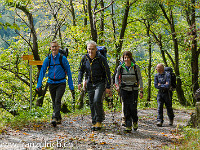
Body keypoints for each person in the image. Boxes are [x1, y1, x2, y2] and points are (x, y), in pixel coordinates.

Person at [36, 41, 74, 127]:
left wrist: (71, 86)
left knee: (57, 100)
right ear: (50, 48)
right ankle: (59, 118)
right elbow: (42, 71)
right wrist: (39, 85)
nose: (54, 48)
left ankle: (54, 117)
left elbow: (68, 71)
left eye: (56, 47)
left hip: (61, 83)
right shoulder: (48, 59)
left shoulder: (62, 58)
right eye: (53, 47)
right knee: (54, 101)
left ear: (58, 47)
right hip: (51, 83)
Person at [78, 40, 111, 131]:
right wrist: (79, 82)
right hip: (90, 83)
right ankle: (94, 121)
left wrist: (108, 86)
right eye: (89, 49)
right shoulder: (84, 58)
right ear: (87, 49)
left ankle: (99, 121)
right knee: (92, 103)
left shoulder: (101, 59)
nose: (90, 51)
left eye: (92, 49)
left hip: (100, 82)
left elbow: (107, 73)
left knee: (97, 100)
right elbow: (81, 71)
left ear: (96, 49)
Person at [115, 51, 143, 132]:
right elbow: (116, 78)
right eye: (125, 58)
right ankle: (128, 125)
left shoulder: (135, 67)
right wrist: (117, 86)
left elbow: (140, 78)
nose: (126, 59)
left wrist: (141, 90)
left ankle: (135, 121)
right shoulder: (120, 68)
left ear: (131, 58)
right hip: (124, 89)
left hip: (133, 90)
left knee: (133, 108)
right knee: (126, 108)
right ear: (123, 59)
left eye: (127, 57)